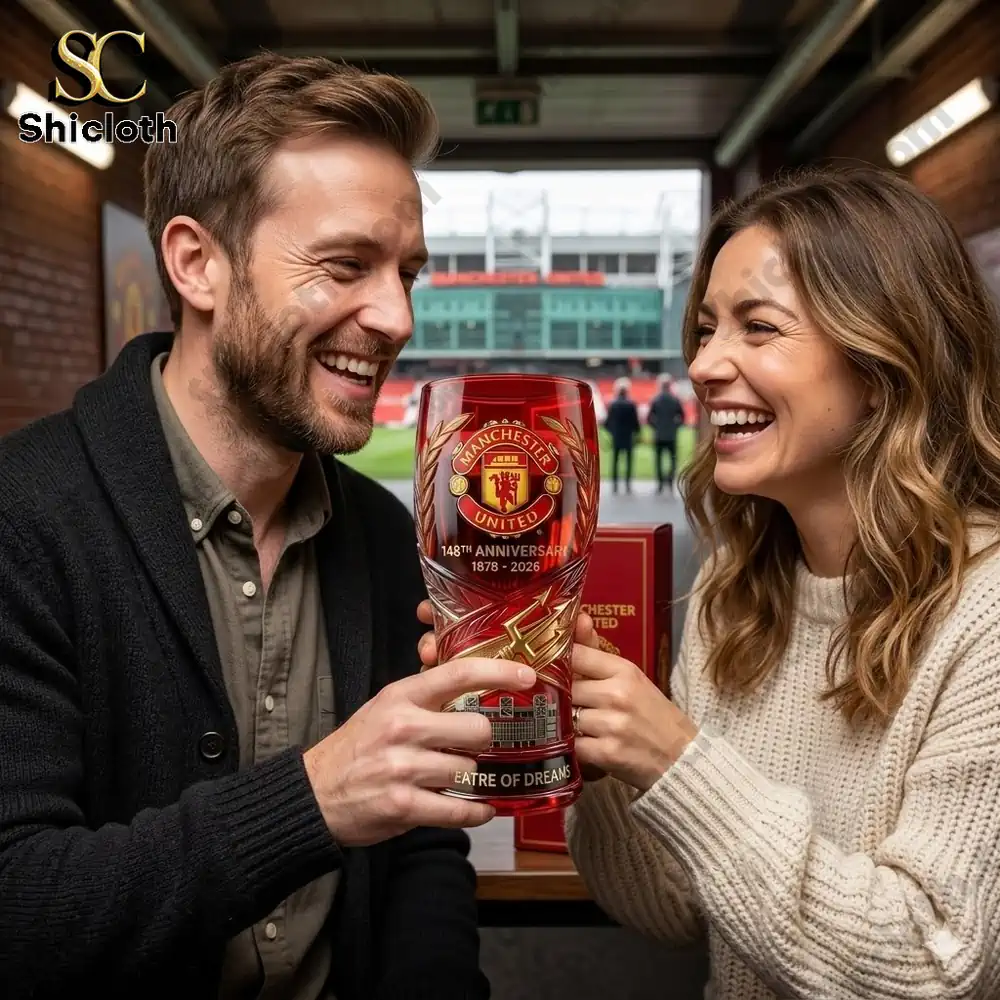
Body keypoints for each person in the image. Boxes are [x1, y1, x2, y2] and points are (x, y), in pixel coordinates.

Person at [0, 53, 535, 1000]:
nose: (396, 316)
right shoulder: (25, 516)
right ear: (197, 264)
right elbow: (20, 906)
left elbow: (422, 845)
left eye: (407, 271)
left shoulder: (382, 532)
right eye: (345, 266)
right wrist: (316, 799)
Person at [418, 164, 1000, 999]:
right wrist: (606, 754)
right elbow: (671, 907)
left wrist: (677, 760)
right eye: (706, 328)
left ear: (884, 362)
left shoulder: (987, 612)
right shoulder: (738, 597)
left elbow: (932, 967)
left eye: (757, 328)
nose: (702, 365)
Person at [646, 373, 685, 495]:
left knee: (658, 460)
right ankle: (670, 479)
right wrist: (675, 427)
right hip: (671, 435)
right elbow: (682, 416)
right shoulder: (675, 400)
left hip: (659, 435)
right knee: (672, 460)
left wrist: (655, 427)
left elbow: (649, 418)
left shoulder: (655, 400)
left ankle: (660, 484)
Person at [604, 378, 640, 493]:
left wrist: (612, 432)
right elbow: (635, 423)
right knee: (629, 461)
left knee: (615, 461)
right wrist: (636, 432)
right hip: (628, 436)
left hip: (617, 436)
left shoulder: (613, 404)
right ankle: (627, 485)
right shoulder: (631, 404)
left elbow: (607, 423)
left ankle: (615, 485)